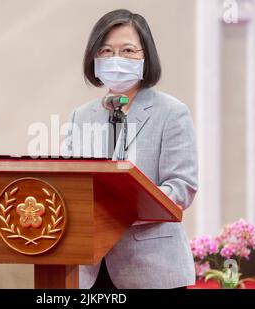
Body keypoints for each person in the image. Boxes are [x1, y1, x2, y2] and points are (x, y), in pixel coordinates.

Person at [64, 9, 198, 289]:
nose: (116, 60)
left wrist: (124, 207)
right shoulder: (81, 116)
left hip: (152, 267)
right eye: (106, 50)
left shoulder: (172, 112)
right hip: (90, 269)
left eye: (127, 50)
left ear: (145, 57)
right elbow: (69, 182)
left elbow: (181, 186)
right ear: (94, 58)